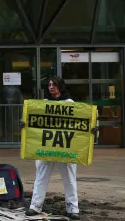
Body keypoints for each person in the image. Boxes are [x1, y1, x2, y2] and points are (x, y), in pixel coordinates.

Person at [21, 76, 97, 220]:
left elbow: (82, 122)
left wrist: (92, 128)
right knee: (41, 177)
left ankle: (73, 208)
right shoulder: (43, 104)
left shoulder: (70, 104)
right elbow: (33, 121)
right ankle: (35, 206)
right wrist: (25, 123)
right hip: (46, 147)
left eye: (54, 84)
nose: (51, 87)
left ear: (60, 86)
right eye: (49, 84)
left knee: (69, 178)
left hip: (65, 148)